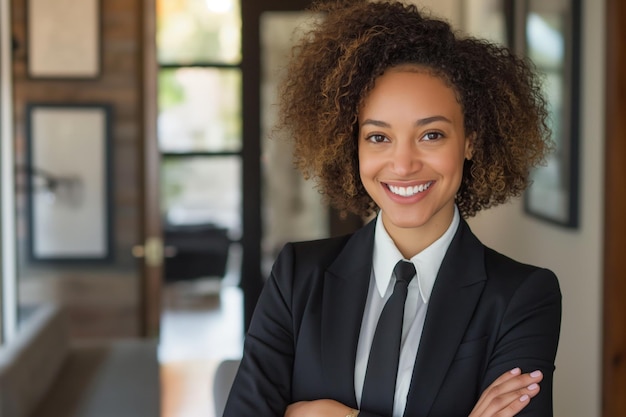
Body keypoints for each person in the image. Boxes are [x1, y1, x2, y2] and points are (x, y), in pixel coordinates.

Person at [223, 0, 562, 416]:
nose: (402, 165)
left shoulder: (520, 296)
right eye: (379, 137)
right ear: (352, 144)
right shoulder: (297, 276)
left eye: (432, 135)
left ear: (470, 140)